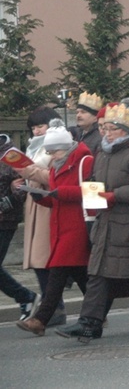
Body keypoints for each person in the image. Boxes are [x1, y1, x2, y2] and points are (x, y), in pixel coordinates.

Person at [56, 101, 129, 341]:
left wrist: (114, 196)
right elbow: (98, 182)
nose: (105, 132)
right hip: (106, 223)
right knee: (98, 275)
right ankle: (89, 323)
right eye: (104, 128)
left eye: (111, 128)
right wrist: (93, 195)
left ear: (124, 131)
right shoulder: (103, 154)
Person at [15, 120, 93, 336]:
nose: (52, 156)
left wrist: (61, 194)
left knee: (58, 271)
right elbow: (55, 197)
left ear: (67, 147)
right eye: (49, 151)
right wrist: (39, 197)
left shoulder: (85, 161)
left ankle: (40, 319)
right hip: (61, 227)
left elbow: (93, 193)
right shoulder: (58, 164)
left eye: (55, 151)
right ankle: (97, 312)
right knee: (81, 274)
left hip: (77, 226)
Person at [12, 106, 67, 326]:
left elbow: (55, 177)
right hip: (35, 204)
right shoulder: (34, 148)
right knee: (39, 260)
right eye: (33, 127)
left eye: (40, 126)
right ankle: (53, 307)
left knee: (46, 259)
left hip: (49, 204)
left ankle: (55, 308)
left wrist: (28, 173)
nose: (36, 131)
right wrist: (20, 182)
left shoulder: (59, 146)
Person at [0, 134, 41, 322]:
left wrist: (3, 204)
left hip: (4, 220)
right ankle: (25, 297)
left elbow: (21, 189)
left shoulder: (11, 155)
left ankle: (26, 297)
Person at [70, 92, 104, 156]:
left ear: (95, 117)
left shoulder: (100, 136)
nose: (78, 115)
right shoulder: (76, 134)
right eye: (77, 112)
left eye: (83, 112)